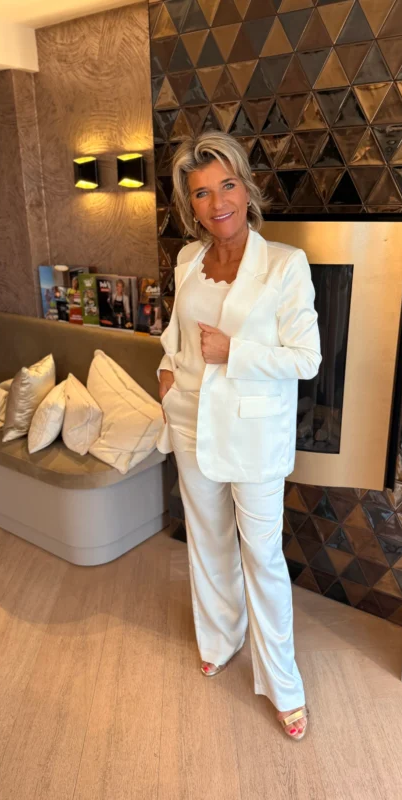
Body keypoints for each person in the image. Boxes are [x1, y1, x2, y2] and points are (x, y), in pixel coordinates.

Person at [156, 131, 321, 741]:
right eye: (202, 192)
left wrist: (235, 352)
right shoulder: (187, 261)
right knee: (207, 542)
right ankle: (220, 640)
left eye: (226, 185)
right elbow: (177, 334)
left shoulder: (284, 264)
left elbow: (307, 358)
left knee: (263, 557)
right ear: (190, 204)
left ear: (247, 189)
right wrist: (166, 374)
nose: (217, 201)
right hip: (190, 421)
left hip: (253, 434)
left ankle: (283, 684)